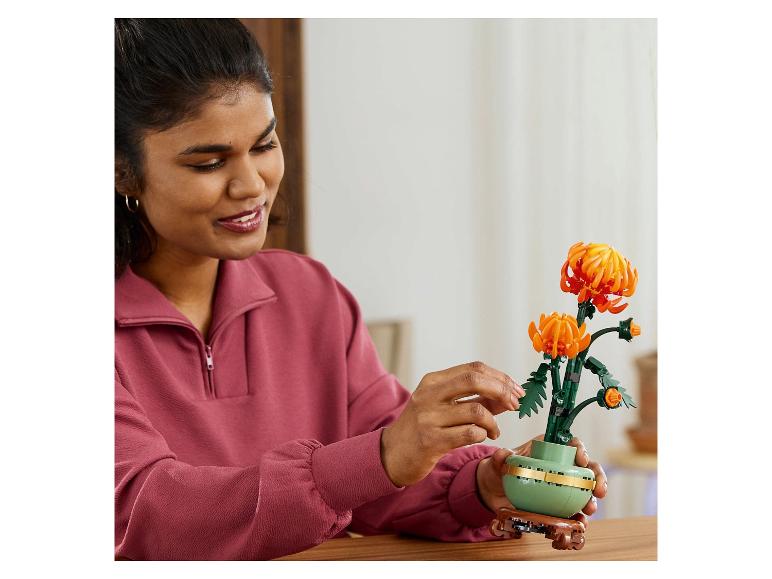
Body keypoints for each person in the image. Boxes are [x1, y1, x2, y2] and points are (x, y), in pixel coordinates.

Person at [114, 18, 606, 561]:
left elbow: (383, 471)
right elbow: (148, 513)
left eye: (264, 145)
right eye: (208, 162)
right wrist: (381, 455)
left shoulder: (310, 294)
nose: (251, 184)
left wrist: (483, 487)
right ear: (122, 171)